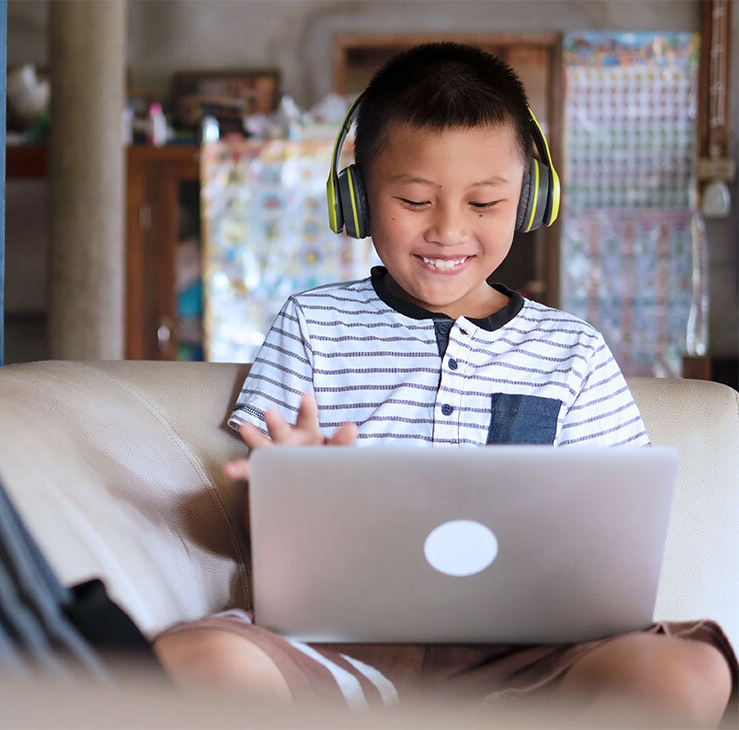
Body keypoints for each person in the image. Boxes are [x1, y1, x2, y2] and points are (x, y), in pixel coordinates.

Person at [152, 42, 736, 727]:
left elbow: (621, 539)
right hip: (337, 646)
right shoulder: (312, 324)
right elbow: (236, 527)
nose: (449, 229)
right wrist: (283, 487)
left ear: (531, 199)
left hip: (538, 655)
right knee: (193, 659)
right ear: (358, 196)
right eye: (414, 199)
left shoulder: (572, 349)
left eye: (485, 202)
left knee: (688, 669)